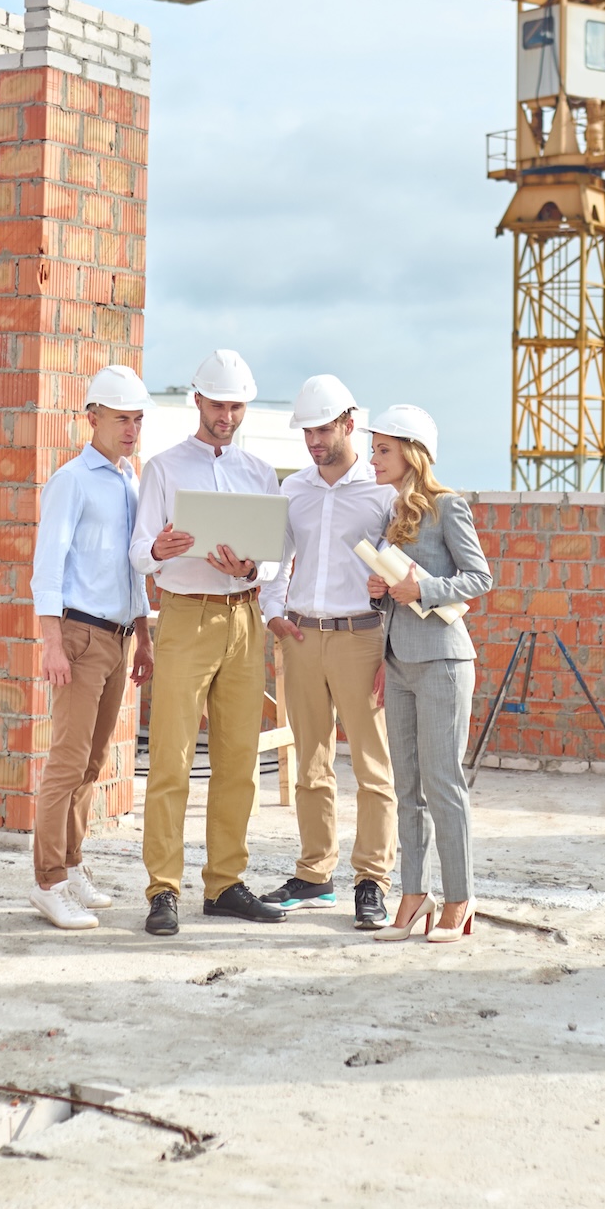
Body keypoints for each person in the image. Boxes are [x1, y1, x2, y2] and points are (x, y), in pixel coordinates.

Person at [129, 348, 289, 936]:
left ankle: (224, 884)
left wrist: (251, 568)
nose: (227, 417)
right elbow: (138, 550)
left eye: (237, 407)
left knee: (239, 761)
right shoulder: (164, 468)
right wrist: (160, 550)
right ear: (197, 400)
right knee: (170, 758)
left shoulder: (260, 473)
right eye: (218, 405)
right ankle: (163, 889)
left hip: (244, 619)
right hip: (185, 617)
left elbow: (274, 557)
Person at [258, 375, 398, 930]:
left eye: (322, 430)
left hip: (362, 638)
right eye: (307, 432)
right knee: (310, 765)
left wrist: (390, 648)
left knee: (372, 766)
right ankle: (315, 874)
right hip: (301, 637)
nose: (314, 442)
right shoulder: (294, 489)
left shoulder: (384, 491)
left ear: (348, 423)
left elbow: (401, 573)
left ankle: (372, 881)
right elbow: (276, 558)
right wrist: (273, 610)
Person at [27, 365, 154, 931]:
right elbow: (47, 566)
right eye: (121, 418)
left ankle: (73, 864)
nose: (131, 429)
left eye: (138, 419)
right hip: (78, 636)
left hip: (119, 638)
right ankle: (48, 883)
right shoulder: (72, 480)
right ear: (92, 418)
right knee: (67, 763)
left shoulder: (131, 481)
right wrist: (51, 643)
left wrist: (143, 636)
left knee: (93, 763)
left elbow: (132, 570)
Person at [364, 405, 494, 943]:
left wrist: (424, 589)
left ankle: (460, 899)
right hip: (398, 663)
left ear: (412, 453)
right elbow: (394, 594)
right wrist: (380, 593)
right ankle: (414, 895)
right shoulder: (392, 514)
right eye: (373, 449)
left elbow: (480, 577)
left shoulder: (448, 507)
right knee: (407, 787)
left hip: (443, 662)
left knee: (444, 784)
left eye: (383, 450)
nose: (373, 458)